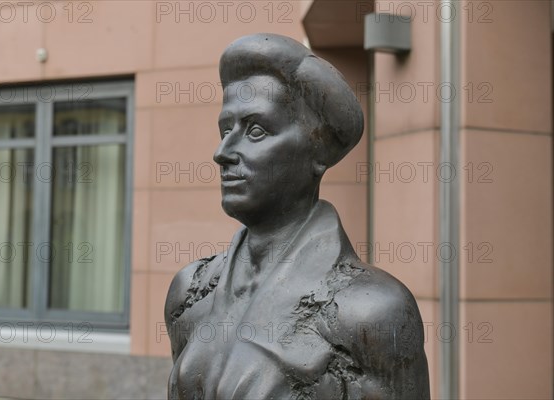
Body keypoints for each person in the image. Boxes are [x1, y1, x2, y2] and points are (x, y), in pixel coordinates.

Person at [164, 33, 430, 399]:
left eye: (255, 131)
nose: (222, 152)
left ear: (316, 148)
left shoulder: (373, 311)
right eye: (225, 130)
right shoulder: (189, 292)